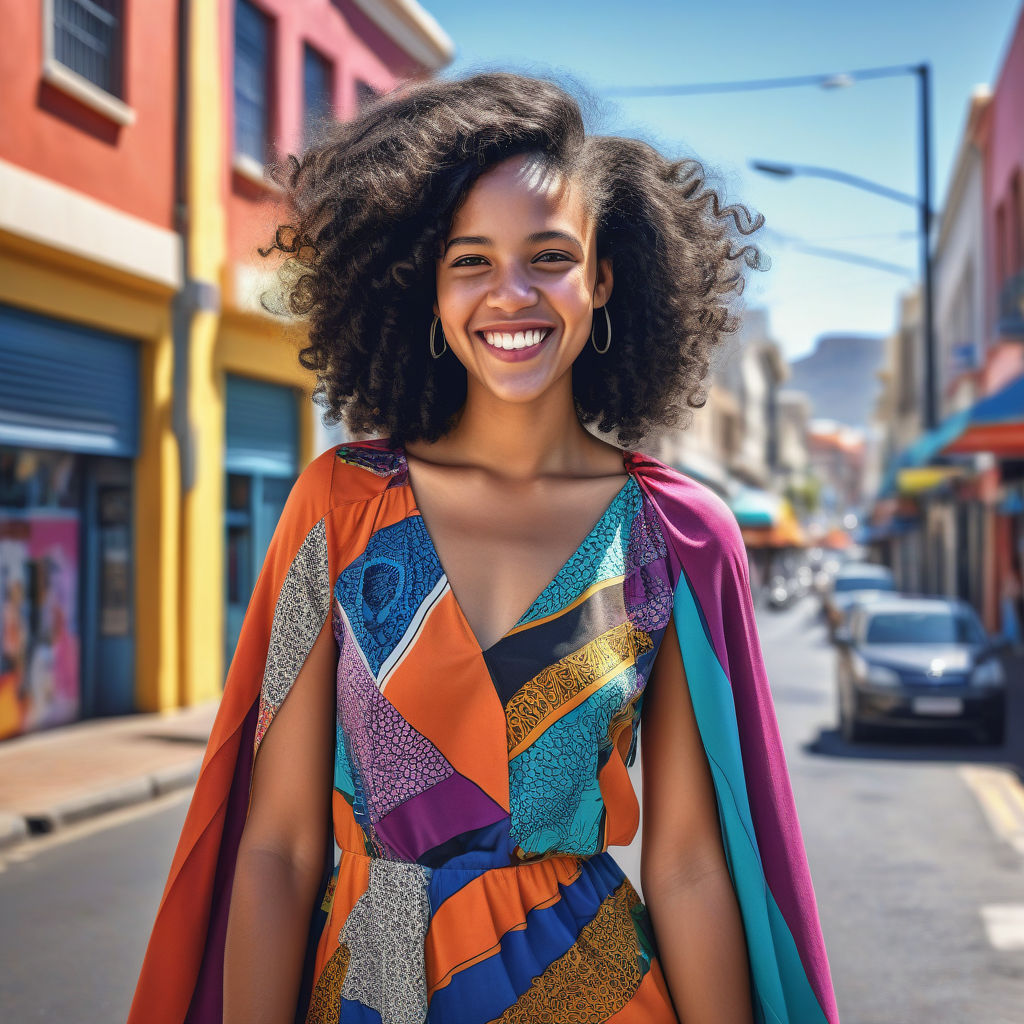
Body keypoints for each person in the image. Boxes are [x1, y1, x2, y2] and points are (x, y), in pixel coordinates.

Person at [129, 71, 840, 1024]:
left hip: (594, 989)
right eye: (471, 261)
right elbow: (278, 848)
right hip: (376, 986)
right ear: (425, 282)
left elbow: (688, 865)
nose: (511, 295)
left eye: (549, 256)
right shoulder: (335, 506)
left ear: (603, 276)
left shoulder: (674, 534)